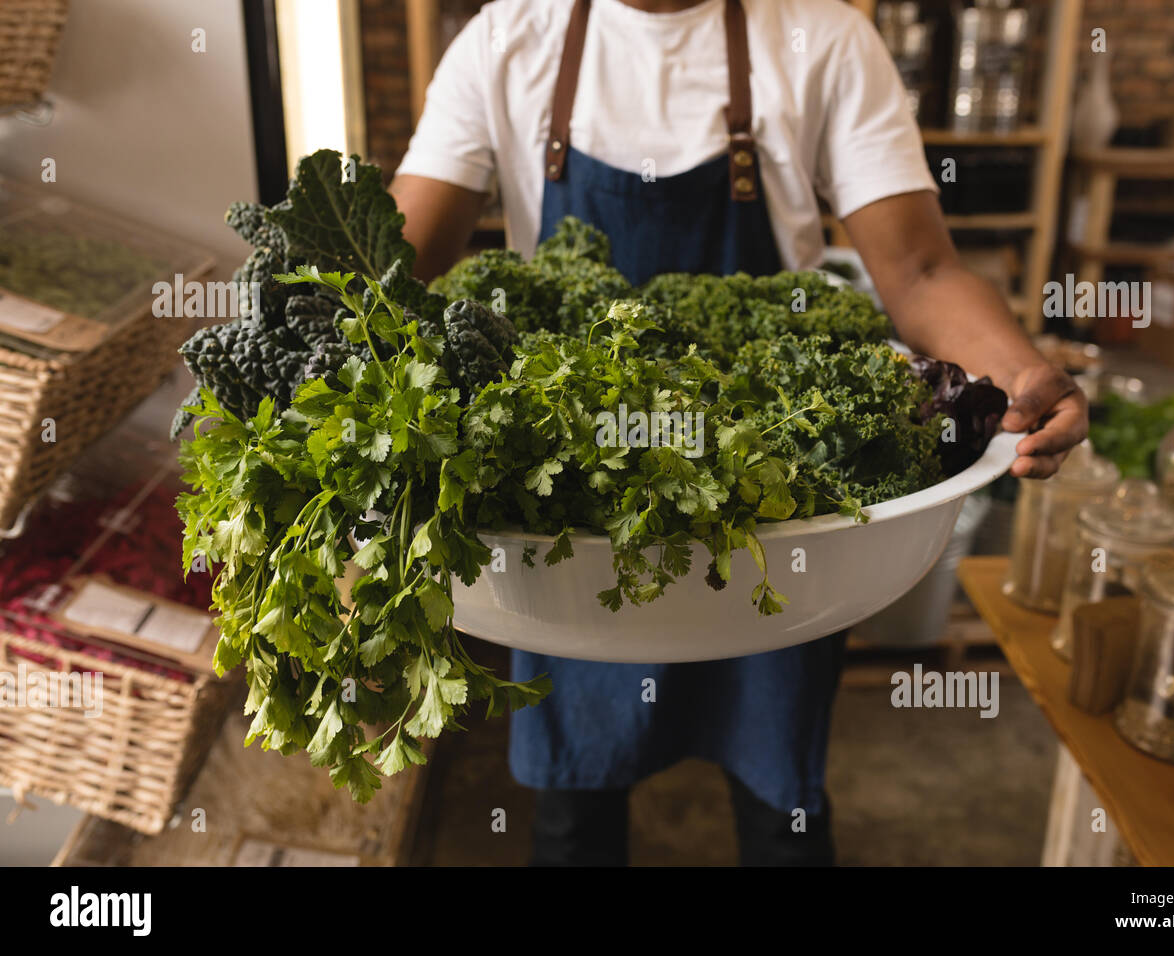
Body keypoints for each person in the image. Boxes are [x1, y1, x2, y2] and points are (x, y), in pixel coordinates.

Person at [391, 0, 1087, 866]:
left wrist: (1018, 371)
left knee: (780, 799)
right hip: (580, 500)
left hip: (777, 494)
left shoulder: (821, 38)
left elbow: (922, 268)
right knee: (573, 806)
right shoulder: (505, 40)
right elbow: (395, 265)